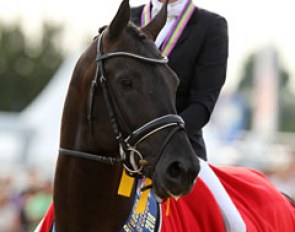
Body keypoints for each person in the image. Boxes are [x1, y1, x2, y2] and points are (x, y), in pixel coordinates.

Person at [131, 0, 228, 160]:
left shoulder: (211, 26)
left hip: (179, 151)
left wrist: (158, 137)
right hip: (123, 148)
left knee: (213, 186)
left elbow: (202, 104)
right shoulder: (127, 17)